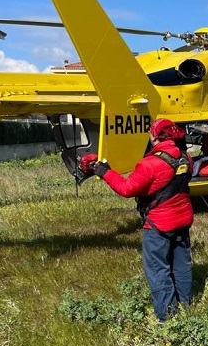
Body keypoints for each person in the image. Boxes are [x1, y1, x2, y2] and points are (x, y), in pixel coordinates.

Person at [83, 118, 194, 322]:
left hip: (158, 225)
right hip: (183, 220)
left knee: (159, 270)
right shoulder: (186, 159)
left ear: (154, 137)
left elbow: (127, 189)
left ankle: (168, 320)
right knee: (181, 265)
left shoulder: (149, 164)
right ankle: (185, 308)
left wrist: (104, 171)